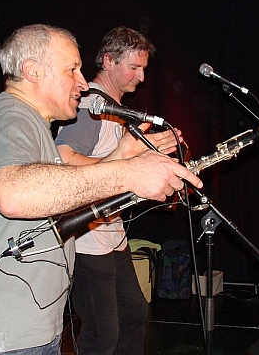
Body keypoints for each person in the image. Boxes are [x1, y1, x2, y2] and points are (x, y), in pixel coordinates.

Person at [0, 24, 202, 355]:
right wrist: (128, 172)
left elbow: (61, 188)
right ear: (32, 71)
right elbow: (15, 194)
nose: (83, 82)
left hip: (22, 334)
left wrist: (121, 157)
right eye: (72, 69)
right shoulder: (10, 119)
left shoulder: (32, 125)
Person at [55, 27, 181, 355]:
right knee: (102, 334)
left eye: (143, 68)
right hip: (85, 238)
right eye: (134, 67)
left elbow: (119, 171)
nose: (140, 77)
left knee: (135, 314)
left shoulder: (115, 108)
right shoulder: (91, 105)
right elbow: (65, 161)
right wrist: (127, 160)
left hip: (111, 234)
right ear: (109, 61)